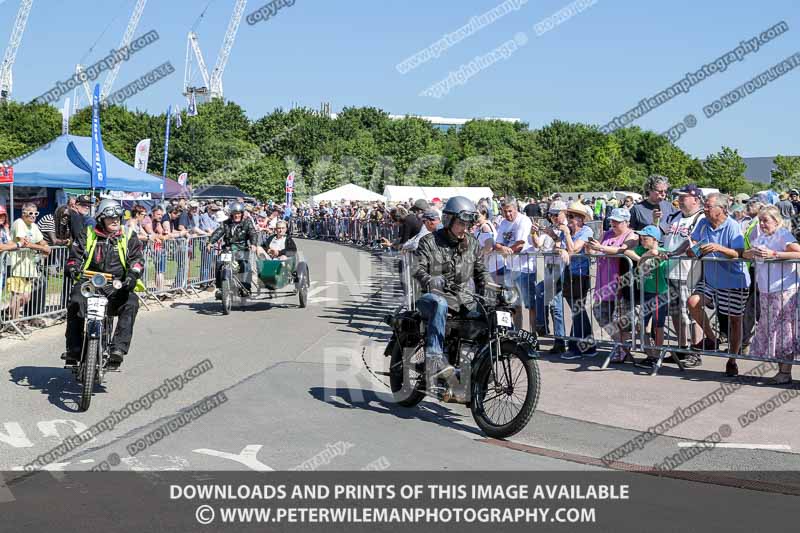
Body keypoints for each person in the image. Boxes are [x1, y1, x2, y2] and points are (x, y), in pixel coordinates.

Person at [413, 196, 489, 389]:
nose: (465, 228)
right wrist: (431, 280)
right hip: (431, 297)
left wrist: (494, 289)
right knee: (440, 304)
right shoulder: (429, 242)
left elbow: (482, 273)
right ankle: (434, 358)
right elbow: (417, 268)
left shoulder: (472, 243)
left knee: (491, 314)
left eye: (468, 224)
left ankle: (480, 366)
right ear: (448, 220)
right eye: (461, 223)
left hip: (463, 299)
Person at [672, 193, 749, 377]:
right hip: (711, 278)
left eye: (708, 206)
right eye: (705, 205)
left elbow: (739, 253)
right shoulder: (703, 223)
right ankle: (712, 339)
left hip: (733, 280)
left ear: (721, 209)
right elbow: (695, 243)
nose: (705, 209)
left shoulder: (733, 226)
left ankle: (732, 360)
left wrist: (718, 247)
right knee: (693, 302)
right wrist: (690, 251)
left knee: (734, 320)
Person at [63, 199, 143, 368]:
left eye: (118, 217)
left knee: (131, 302)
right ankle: (74, 349)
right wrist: (72, 268)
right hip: (90, 281)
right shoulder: (88, 233)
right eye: (110, 218)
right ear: (101, 218)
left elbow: (137, 260)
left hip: (116, 284)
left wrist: (132, 275)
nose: (115, 221)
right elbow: (74, 257)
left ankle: (118, 349)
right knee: (76, 300)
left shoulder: (128, 235)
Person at [744, 205, 800, 384]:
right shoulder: (759, 236)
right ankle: (781, 370)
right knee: (771, 329)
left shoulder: (783, 235)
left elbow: (798, 252)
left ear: (776, 221)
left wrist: (775, 254)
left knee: (784, 331)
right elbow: (745, 254)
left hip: (784, 289)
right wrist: (751, 253)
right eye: (760, 220)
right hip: (766, 290)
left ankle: (785, 372)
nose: (762, 224)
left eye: (765, 220)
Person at [586, 207, 638, 362]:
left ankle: (623, 348)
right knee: (599, 313)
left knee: (620, 319)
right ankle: (620, 345)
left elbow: (621, 250)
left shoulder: (632, 235)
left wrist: (601, 247)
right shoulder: (607, 234)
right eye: (612, 220)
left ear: (626, 222)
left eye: (617, 221)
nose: (613, 223)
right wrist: (590, 248)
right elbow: (596, 252)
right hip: (603, 282)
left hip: (621, 284)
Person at [661, 184, 705, 366]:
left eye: (684, 197)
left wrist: (675, 253)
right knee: (675, 312)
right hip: (669, 270)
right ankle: (681, 348)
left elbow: (694, 243)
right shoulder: (674, 216)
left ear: (695, 199)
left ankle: (696, 351)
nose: (679, 199)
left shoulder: (701, 218)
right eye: (679, 196)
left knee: (691, 312)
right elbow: (662, 234)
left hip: (689, 272)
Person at [625, 226, 669, 366]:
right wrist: (642, 257)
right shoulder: (642, 250)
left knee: (658, 325)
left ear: (655, 239)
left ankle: (657, 354)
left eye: (645, 238)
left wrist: (650, 255)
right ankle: (649, 354)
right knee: (641, 325)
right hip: (645, 292)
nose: (642, 240)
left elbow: (656, 257)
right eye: (641, 237)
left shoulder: (661, 252)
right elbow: (627, 251)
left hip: (659, 293)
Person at [559, 202, 596, 359]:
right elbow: (559, 247)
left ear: (581, 219)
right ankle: (588, 346)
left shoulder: (586, 231)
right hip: (568, 273)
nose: (569, 219)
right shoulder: (567, 232)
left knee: (577, 310)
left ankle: (577, 347)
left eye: (572, 216)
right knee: (577, 310)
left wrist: (567, 235)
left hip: (581, 274)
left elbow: (574, 249)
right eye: (569, 216)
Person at [8, 203, 51, 326]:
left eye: (35, 213)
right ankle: (15, 322)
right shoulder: (19, 223)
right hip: (16, 265)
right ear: (23, 213)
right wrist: (42, 248)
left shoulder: (34, 226)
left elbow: (41, 240)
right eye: (30, 213)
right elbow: (23, 243)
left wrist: (46, 246)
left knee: (26, 297)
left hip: (29, 266)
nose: (33, 216)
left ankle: (9, 315)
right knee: (17, 295)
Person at [207, 202, 259, 299]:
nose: (237, 215)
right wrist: (210, 242)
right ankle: (220, 288)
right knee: (219, 263)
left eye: (239, 213)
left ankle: (246, 288)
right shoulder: (226, 223)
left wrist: (253, 244)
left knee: (245, 265)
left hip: (241, 249)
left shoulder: (247, 222)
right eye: (235, 213)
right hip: (228, 249)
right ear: (231, 214)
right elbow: (218, 232)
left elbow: (253, 233)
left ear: (242, 213)